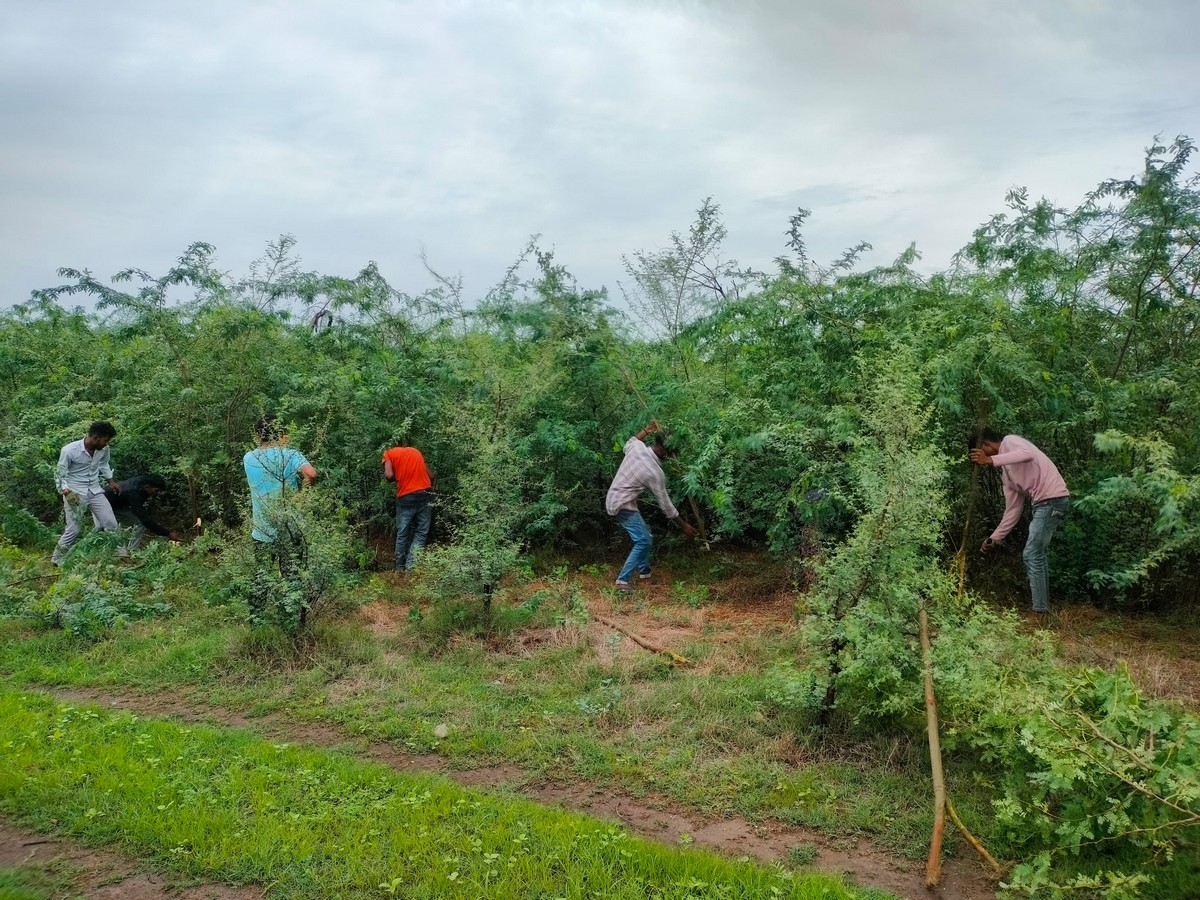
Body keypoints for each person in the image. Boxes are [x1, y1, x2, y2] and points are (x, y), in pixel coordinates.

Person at [970, 426, 1070, 620]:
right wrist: (994, 538)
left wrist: (991, 460)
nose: (980, 459)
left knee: (1032, 554)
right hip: (1042, 504)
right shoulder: (1007, 475)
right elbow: (1013, 510)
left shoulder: (1010, 441)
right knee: (1037, 555)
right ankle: (1042, 610)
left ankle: (1039, 613)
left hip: (1052, 500)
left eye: (979, 452)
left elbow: (1028, 453)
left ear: (986, 445)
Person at [605, 421, 696, 592]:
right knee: (644, 541)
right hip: (621, 503)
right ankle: (622, 582)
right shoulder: (655, 472)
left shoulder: (637, 447)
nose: (670, 458)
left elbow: (631, 441)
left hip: (621, 499)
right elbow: (666, 505)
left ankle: (645, 575)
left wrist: (646, 430)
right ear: (662, 450)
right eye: (669, 454)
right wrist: (683, 526)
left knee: (646, 535)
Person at [243, 415, 318, 619]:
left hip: (262, 530)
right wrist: (303, 495)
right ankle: (292, 620)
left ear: (258, 435)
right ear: (282, 434)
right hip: (290, 528)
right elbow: (311, 474)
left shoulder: (249, 458)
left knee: (261, 577)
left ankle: (256, 620)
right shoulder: (290, 455)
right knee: (292, 576)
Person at [51, 421, 121, 565]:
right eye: (105, 440)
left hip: (95, 490)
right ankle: (57, 559)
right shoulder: (69, 450)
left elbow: (103, 464)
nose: (107, 444)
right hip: (75, 493)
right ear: (95, 437)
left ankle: (122, 556)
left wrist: (111, 481)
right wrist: (66, 491)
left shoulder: (103, 450)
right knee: (74, 529)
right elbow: (60, 474)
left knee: (111, 523)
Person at [382, 443, 433, 572]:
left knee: (403, 533)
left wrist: (397, 476)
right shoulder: (416, 451)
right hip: (424, 493)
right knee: (421, 532)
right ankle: (411, 568)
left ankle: (399, 568)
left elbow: (388, 475)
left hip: (405, 497)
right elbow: (431, 476)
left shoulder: (388, 453)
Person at [104, 474, 181, 554]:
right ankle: (130, 552)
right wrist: (167, 533)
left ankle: (131, 551)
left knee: (139, 523)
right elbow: (145, 519)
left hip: (120, 504)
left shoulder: (142, 483)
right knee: (105, 527)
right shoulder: (133, 493)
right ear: (147, 487)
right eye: (156, 490)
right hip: (105, 504)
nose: (157, 493)